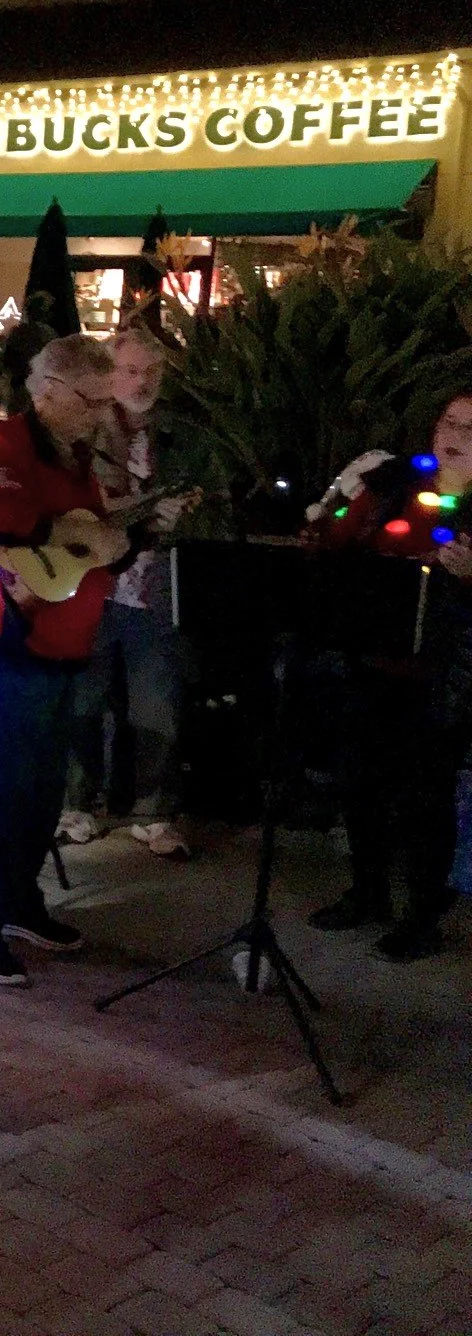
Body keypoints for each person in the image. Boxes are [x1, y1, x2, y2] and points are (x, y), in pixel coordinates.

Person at [0, 334, 128, 986]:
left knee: (42, 788)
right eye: (91, 400)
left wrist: (116, 535)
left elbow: (98, 537)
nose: (100, 414)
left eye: (107, 402)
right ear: (48, 389)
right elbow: (1, 523)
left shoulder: (74, 455)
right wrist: (85, 535)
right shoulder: (4, 447)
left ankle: (20, 901)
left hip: (63, 643)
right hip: (10, 639)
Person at [299, 395, 472, 962]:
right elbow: (341, 530)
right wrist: (326, 534)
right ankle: (367, 893)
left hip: (442, 674)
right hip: (372, 658)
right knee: (362, 783)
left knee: (426, 799)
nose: (456, 435)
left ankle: (422, 917)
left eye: (471, 428)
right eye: (449, 422)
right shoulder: (397, 479)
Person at [61, 326, 192, 861]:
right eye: (131, 371)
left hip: (153, 591)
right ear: (110, 374)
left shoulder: (179, 435)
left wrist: (184, 514)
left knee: (157, 705)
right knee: (83, 702)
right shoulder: (87, 433)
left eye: (152, 373)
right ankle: (78, 806)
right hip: (94, 586)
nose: (141, 382)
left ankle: (153, 814)